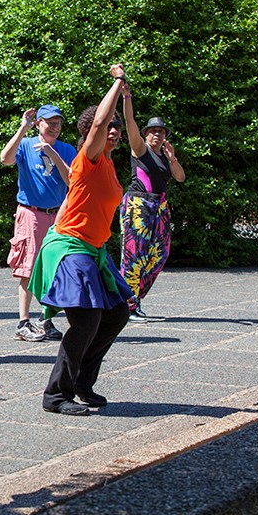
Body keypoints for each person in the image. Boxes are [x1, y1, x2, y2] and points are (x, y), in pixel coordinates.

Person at [29, 65, 134, 417]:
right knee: (86, 319)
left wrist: (127, 102)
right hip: (70, 248)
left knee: (117, 313)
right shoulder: (86, 160)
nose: (113, 132)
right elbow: (101, 123)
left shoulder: (106, 164)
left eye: (116, 129)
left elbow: (125, 129)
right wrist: (117, 83)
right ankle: (56, 395)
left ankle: (81, 385)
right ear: (90, 133)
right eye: (108, 128)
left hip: (93, 250)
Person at [0, 104, 76, 342]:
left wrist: (53, 153)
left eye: (58, 123)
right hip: (31, 214)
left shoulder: (66, 149)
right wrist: (23, 127)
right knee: (28, 267)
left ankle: (46, 319)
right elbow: (5, 159)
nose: (54, 127)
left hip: (59, 215)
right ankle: (23, 322)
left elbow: (72, 179)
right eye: (49, 123)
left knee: (55, 268)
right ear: (39, 123)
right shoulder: (25, 145)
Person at [119, 91, 186, 322]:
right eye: (153, 131)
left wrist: (173, 158)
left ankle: (134, 300)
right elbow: (130, 124)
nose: (157, 134)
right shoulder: (140, 150)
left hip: (159, 207)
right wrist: (127, 98)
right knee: (133, 256)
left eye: (161, 132)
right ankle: (126, 306)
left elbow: (180, 178)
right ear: (146, 134)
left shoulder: (165, 157)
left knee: (159, 255)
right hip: (139, 204)